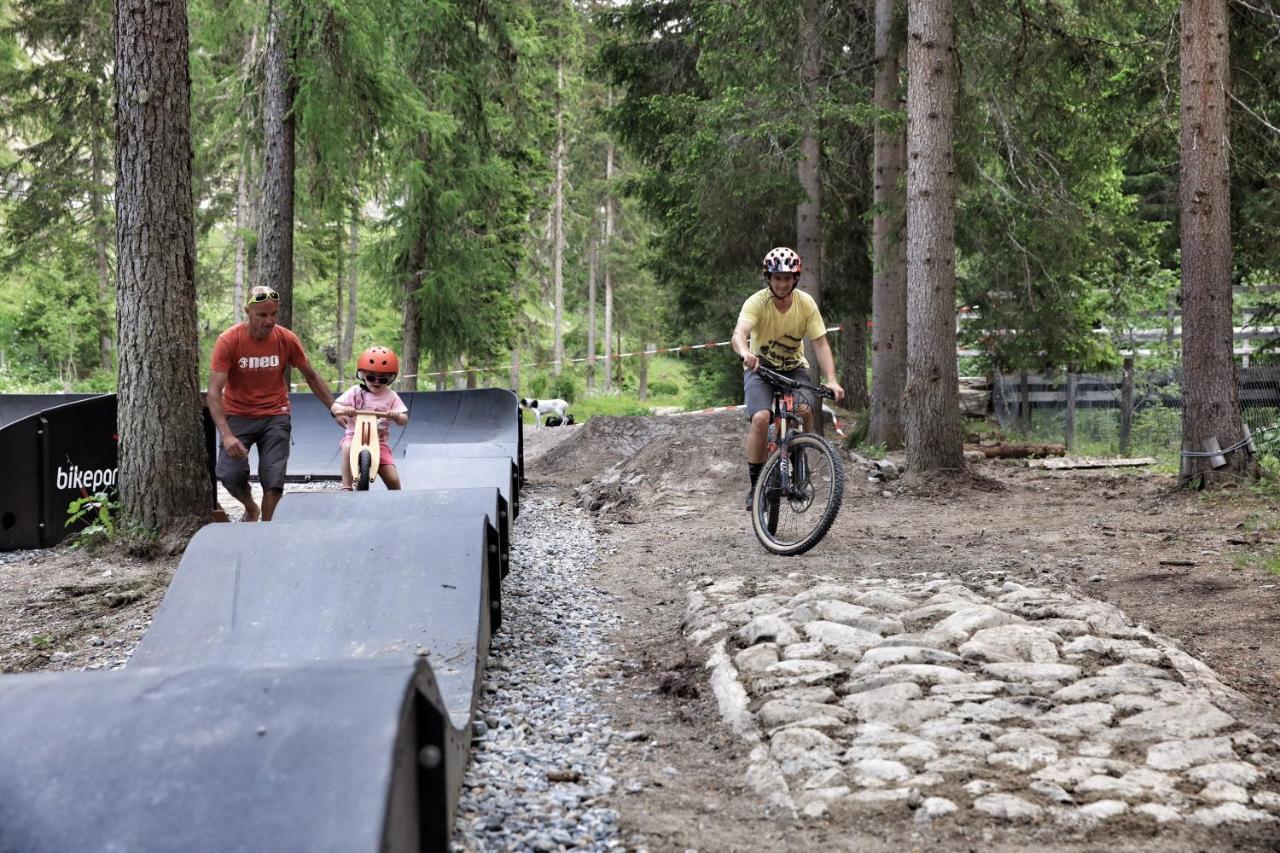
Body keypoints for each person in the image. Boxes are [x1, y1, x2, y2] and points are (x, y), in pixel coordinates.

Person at [731, 247, 845, 510]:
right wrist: (746, 352)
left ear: (795, 278)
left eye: (787, 277)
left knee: (804, 411)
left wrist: (832, 379)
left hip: (793, 368)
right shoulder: (757, 302)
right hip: (760, 368)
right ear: (768, 279)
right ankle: (756, 485)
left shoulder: (805, 304)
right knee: (760, 418)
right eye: (776, 277)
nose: (782, 283)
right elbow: (739, 333)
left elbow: (821, 343)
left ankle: (800, 457)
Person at [207, 286, 335, 521]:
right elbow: (214, 392)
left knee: (273, 477)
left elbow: (312, 376)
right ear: (248, 311)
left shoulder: (286, 338)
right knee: (230, 475)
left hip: (276, 414)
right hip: (237, 415)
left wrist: (334, 408)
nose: (269, 321)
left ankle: (267, 532)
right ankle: (251, 507)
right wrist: (226, 435)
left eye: (274, 314)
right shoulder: (229, 341)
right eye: (262, 315)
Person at [330, 346, 409, 490]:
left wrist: (396, 416)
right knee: (347, 447)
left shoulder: (391, 396)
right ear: (362, 375)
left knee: (393, 478)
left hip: (379, 442)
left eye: (383, 379)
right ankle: (346, 486)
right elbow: (335, 407)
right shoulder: (355, 392)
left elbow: (404, 419)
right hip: (354, 436)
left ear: (390, 379)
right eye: (371, 377)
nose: (377, 382)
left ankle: (398, 497)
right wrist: (344, 409)